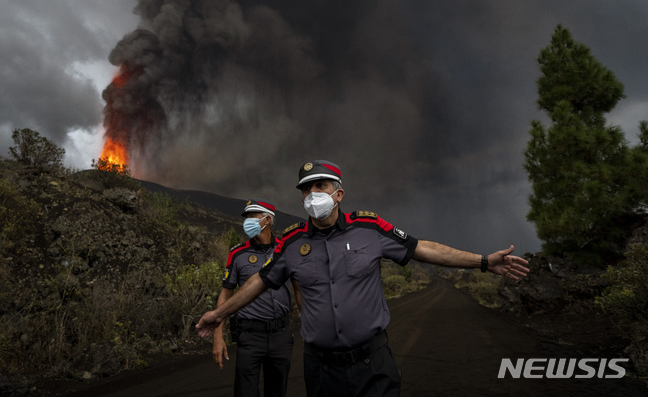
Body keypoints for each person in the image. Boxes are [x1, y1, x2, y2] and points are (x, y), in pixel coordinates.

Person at [198, 161, 531, 397]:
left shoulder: (369, 228)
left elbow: (424, 248)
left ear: (339, 194)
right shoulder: (291, 241)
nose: (312, 194)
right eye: (306, 189)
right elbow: (259, 281)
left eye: (320, 186)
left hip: (373, 364)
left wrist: (484, 261)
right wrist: (219, 315)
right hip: (321, 369)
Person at [212, 199, 301, 397]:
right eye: (246, 217)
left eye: (253, 216)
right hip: (250, 336)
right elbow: (225, 293)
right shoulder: (237, 253)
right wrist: (218, 336)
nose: (248, 221)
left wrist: (311, 325)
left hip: (281, 335)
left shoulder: (286, 250)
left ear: (268, 220)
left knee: (277, 391)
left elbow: (298, 290)